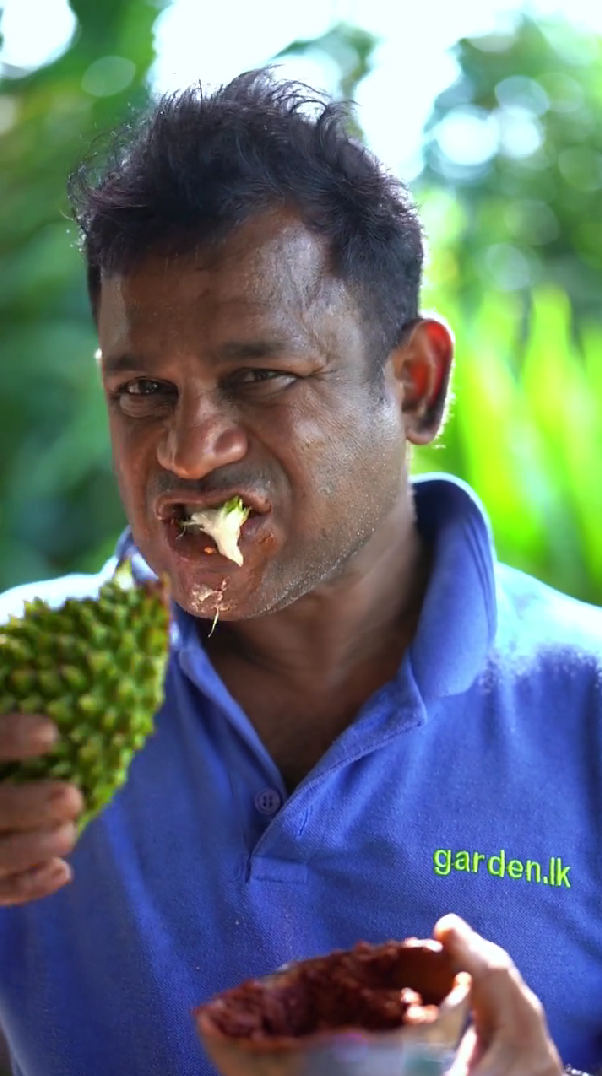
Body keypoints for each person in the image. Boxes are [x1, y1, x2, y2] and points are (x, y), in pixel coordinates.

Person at [0, 68, 599, 1076]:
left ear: (413, 385)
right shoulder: (16, 686)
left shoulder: (586, 707)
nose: (189, 450)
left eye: (259, 377)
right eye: (143, 390)